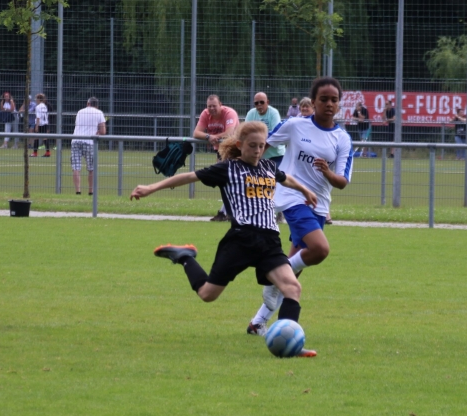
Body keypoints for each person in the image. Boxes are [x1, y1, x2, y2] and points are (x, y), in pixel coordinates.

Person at [131, 121, 319, 357]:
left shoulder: (268, 167)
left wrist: (305, 190)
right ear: (240, 145)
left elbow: (285, 178)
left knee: (292, 288)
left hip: (269, 241)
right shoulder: (227, 169)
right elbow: (189, 176)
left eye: (261, 146)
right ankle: (185, 257)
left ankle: (292, 345)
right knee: (207, 294)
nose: (257, 151)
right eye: (252, 146)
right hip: (241, 241)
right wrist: (151, 188)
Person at [247, 76, 354, 336]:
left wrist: (327, 173)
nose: (329, 104)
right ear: (313, 102)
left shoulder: (342, 138)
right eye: (323, 99)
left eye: (334, 100)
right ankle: (274, 278)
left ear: (339, 104)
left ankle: (259, 322)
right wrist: (242, 163)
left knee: (296, 267)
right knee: (320, 249)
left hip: (319, 204)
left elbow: (342, 182)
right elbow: (262, 143)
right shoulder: (295, 125)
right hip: (292, 197)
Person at [195, 94, 240, 221]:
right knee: (224, 181)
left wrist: (214, 137)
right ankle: (226, 212)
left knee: (231, 181)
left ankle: (227, 212)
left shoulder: (229, 113)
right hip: (221, 151)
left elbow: (229, 133)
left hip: (234, 150)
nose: (211, 109)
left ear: (220, 104)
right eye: (209, 106)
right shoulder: (205, 114)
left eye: (214, 106)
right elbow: (196, 133)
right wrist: (208, 137)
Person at [71, 97, 107, 195]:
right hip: (89, 142)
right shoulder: (99, 113)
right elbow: (103, 131)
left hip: (76, 140)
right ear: (97, 105)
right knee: (92, 168)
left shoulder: (80, 112)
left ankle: (78, 191)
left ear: (88, 103)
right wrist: (98, 131)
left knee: (76, 167)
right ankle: (91, 191)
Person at [245, 92, 284, 167]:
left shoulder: (274, 113)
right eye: (256, 103)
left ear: (267, 102)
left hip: (276, 155)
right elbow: (246, 132)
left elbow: (275, 134)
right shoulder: (251, 113)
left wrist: (257, 142)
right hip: (257, 156)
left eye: (262, 102)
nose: (259, 105)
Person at [32, 93, 51, 157]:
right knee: (45, 138)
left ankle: (35, 153)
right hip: (45, 123)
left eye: (36, 99)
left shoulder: (38, 107)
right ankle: (48, 152)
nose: (36, 100)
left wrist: (36, 126)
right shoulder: (44, 106)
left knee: (36, 138)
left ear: (38, 99)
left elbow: (38, 117)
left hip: (40, 124)